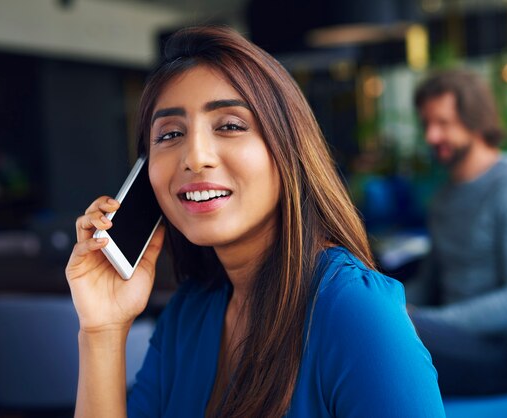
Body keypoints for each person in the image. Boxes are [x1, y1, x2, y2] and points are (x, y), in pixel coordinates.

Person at [66, 26, 445, 417]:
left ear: (288, 148)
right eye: (171, 133)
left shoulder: (353, 311)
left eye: (229, 125)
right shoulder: (190, 313)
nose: (195, 157)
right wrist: (102, 331)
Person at [407, 69, 507, 396]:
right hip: (454, 339)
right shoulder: (443, 200)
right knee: (369, 319)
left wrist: (425, 322)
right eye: (426, 124)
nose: (431, 137)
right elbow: (428, 283)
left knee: (386, 332)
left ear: (475, 120)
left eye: (443, 123)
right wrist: (384, 303)